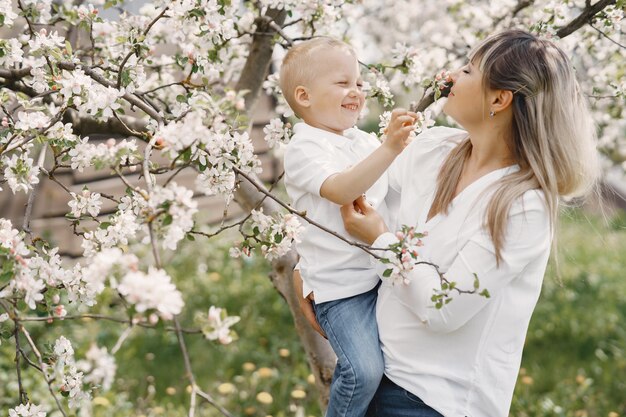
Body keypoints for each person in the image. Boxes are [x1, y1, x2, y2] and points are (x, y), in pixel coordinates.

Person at [297, 29, 599, 416]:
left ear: (499, 99)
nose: (451, 76)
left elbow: (443, 309)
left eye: (469, 70)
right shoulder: (432, 149)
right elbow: (354, 207)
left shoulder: (523, 206)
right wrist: (308, 271)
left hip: (432, 400)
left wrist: (381, 241)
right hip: (371, 372)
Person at [280, 37, 417, 417]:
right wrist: (388, 148)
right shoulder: (305, 148)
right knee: (363, 371)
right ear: (304, 97)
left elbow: (393, 180)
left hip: (380, 277)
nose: (356, 91)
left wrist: (396, 144)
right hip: (341, 290)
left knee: (399, 371)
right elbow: (341, 189)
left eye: (358, 82)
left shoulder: (361, 139)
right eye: (342, 83)